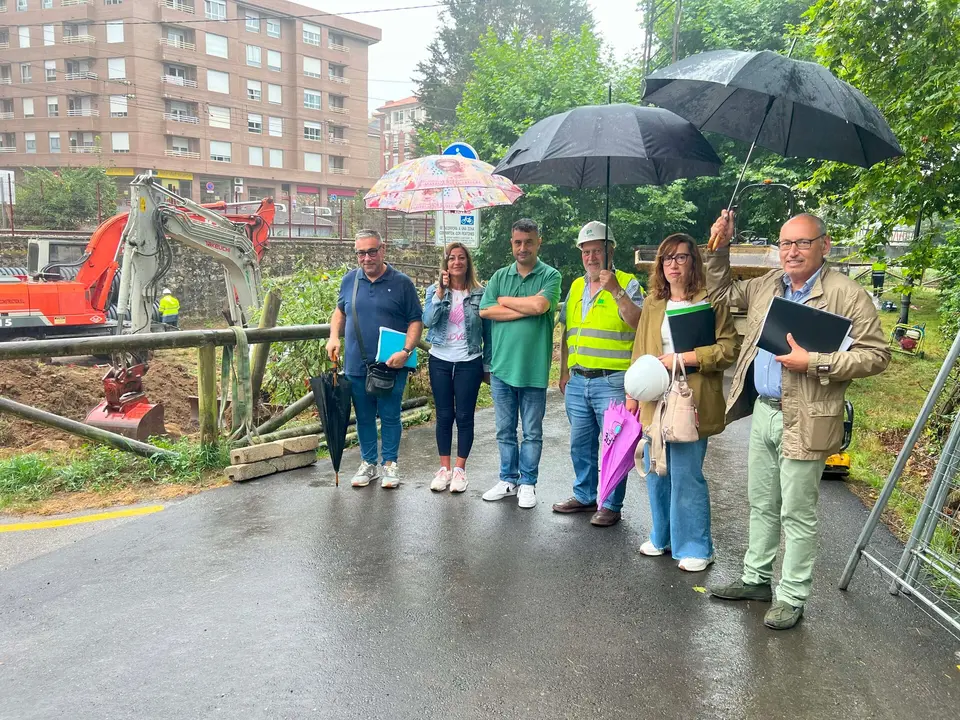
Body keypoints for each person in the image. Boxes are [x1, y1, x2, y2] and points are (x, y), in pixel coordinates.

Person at [705, 210, 889, 629]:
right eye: (786, 243)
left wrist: (817, 362)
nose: (792, 251)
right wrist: (719, 246)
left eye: (802, 243)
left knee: (797, 513)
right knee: (762, 504)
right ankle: (756, 579)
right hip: (766, 412)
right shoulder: (768, 285)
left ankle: (792, 596)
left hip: (808, 417)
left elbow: (877, 356)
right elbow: (720, 295)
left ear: (823, 245)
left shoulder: (847, 294)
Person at [631, 233, 737, 570]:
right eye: (666, 258)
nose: (672, 265)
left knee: (687, 472)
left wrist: (687, 357)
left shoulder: (711, 300)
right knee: (656, 469)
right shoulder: (653, 303)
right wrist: (632, 392)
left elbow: (728, 349)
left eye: (680, 257)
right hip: (655, 397)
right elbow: (640, 347)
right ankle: (662, 536)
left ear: (694, 261)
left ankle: (695, 546)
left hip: (691, 398)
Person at [553, 221, 644, 526]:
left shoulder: (628, 283)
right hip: (579, 380)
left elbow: (639, 324)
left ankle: (610, 503)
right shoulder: (577, 286)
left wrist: (616, 291)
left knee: (614, 446)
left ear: (610, 251)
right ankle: (584, 495)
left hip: (613, 380)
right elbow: (568, 331)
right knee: (580, 443)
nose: (591, 257)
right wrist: (564, 371)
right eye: (586, 251)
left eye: (597, 251)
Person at [325, 230, 423, 489]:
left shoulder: (402, 283)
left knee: (390, 415)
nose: (366, 258)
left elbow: (416, 320)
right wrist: (333, 336)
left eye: (372, 251)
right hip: (356, 363)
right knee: (364, 416)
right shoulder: (350, 281)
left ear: (383, 249)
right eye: (361, 253)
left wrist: (407, 351)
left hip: (391, 363)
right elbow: (339, 312)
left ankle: (390, 464)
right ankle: (369, 463)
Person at [478, 218, 561, 509]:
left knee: (532, 432)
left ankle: (528, 483)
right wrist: (525, 308)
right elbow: (486, 311)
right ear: (511, 243)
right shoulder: (501, 275)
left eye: (528, 241)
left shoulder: (551, 275)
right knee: (504, 429)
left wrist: (506, 302)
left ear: (539, 242)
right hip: (501, 368)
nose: (522, 247)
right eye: (517, 242)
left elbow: (541, 306)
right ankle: (507, 479)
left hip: (534, 369)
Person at [422, 242, 491, 494]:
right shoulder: (434, 290)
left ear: (468, 262)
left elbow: (488, 332)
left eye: (461, 258)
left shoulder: (480, 293)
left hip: (469, 360)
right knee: (444, 415)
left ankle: (460, 470)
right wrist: (440, 293)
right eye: (452, 258)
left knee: (464, 416)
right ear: (446, 263)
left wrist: (487, 365)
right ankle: (444, 468)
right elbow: (428, 320)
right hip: (440, 358)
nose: (457, 262)